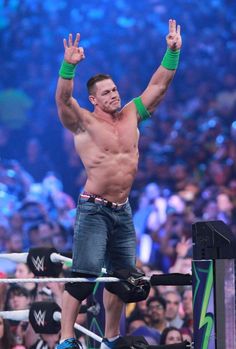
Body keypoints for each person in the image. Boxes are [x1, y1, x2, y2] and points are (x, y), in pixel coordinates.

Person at [55, 18, 182, 349]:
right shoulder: (84, 123)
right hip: (94, 207)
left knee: (122, 278)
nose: (113, 95)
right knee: (83, 277)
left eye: (114, 89)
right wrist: (67, 68)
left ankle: (111, 337)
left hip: (123, 209)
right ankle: (66, 337)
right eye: (106, 92)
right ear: (94, 99)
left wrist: (171, 52)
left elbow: (158, 86)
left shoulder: (132, 114)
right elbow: (63, 102)